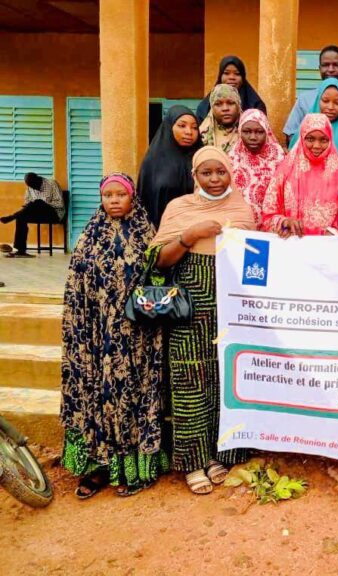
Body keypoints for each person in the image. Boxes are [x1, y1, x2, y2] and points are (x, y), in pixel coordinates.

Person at [150, 146, 256, 495]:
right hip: (189, 305)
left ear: (230, 174)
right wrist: (190, 235)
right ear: (194, 176)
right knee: (189, 379)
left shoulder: (241, 209)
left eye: (220, 172)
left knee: (225, 377)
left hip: (232, 306)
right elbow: (160, 262)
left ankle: (219, 453)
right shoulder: (179, 208)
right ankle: (193, 460)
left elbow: (257, 262)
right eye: (206, 173)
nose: (214, 179)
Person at [60, 173, 166, 499]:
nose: (115, 200)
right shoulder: (89, 237)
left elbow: (158, 279)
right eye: (108, 195)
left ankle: (136, 471)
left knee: (134, 395)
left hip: (137, 339)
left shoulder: (146, 233)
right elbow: (75, 288)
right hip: (96, 337)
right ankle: (98, 468)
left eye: (121, 194)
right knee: (97, 396)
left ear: (132, 197)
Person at [262, 114, 338, 237]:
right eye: (310, 139)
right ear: (302, 137)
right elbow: (267, 215)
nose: (317, 146)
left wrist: (335, 232)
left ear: (330, 139)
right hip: (291, 248)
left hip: (327, 250)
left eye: (323, 140)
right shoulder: (285, 172)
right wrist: (284, 222)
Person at [283, 45, 338, 145]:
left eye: (336, 65)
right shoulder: (305, 99)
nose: (331, 69)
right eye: (325, 65)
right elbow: (291, 134)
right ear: (319, 69)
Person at [138, 105, 201, 228]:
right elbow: (143, 202)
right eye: (182, 126)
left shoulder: (202, 160)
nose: (189, 132)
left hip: (197, 233)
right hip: (161, 232)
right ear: (168, 127)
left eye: (194, 127)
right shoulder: (152, 162)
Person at [289, 77, 338, 172]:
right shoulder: (304, 130)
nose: (330, 107)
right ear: (318, 100)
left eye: (337, 102)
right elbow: (292, 163)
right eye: (325, 101)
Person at [229, 108, 285, 227]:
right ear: (239, 131)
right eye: (247, 132)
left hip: (271, 226)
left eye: (259, 132)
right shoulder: (233, 156)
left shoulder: (278, 155)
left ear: (267, 131)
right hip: (240, 225)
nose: (253, 137)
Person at [0, 172, 64, 258]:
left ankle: (12, 216)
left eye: (35, 186)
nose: (34, 188)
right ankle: (21, 251)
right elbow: (27, 203)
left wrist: (43, 204)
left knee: (38, 202)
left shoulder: (52, 184)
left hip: (54, 213)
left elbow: (60, 203)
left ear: (38, 179)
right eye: (31, 187)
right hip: (38, 213)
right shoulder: (30, 187)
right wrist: (32, 206)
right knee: (21, 217)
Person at [196, 55, 266, 123]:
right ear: (220, 76)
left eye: (237, 74)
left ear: (243, 78)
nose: (231, 77)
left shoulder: (256, 105)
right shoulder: (205, 106)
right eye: (226, 73)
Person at [199, 84, 242, 154]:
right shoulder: (201, 137)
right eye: (218, 104)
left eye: (231, 103)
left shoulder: (250, 133)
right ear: (212, 108)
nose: (225, 108)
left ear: (238, 106)